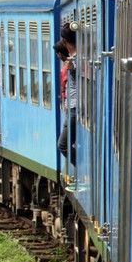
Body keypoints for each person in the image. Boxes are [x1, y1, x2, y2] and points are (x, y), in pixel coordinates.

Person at [57, 24, 77, 167]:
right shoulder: (73, 60)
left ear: (64, 41)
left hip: (74, 108)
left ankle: (81, 168)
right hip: (72, 107)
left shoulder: (73, 61)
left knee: (63, 145)